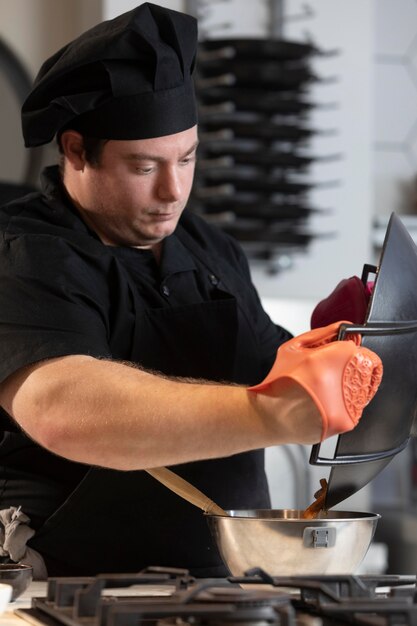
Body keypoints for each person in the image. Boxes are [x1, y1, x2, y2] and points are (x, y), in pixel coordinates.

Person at [0, 2, 381, 579]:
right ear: (76, 150)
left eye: (188, 157)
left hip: (216, 587)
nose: (173, 190)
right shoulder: (25, 254)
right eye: (144, 167)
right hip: (61, 585)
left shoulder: (211, 249)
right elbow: (61, 406)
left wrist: (333, 345)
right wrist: (273, 414)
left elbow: (262, 374)